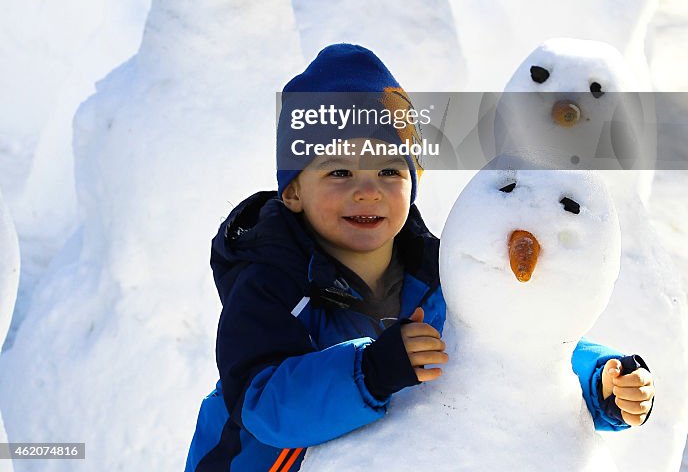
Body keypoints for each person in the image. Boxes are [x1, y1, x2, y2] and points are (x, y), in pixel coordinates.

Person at [185, 44, 654, 472]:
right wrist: (369, 372)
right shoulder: (270, 285)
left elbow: (510, 346)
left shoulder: (441, 275)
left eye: (389, 169)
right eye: (340, 170)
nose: (367, 191)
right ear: (292, 191)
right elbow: (263, 405)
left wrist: (601, 380)